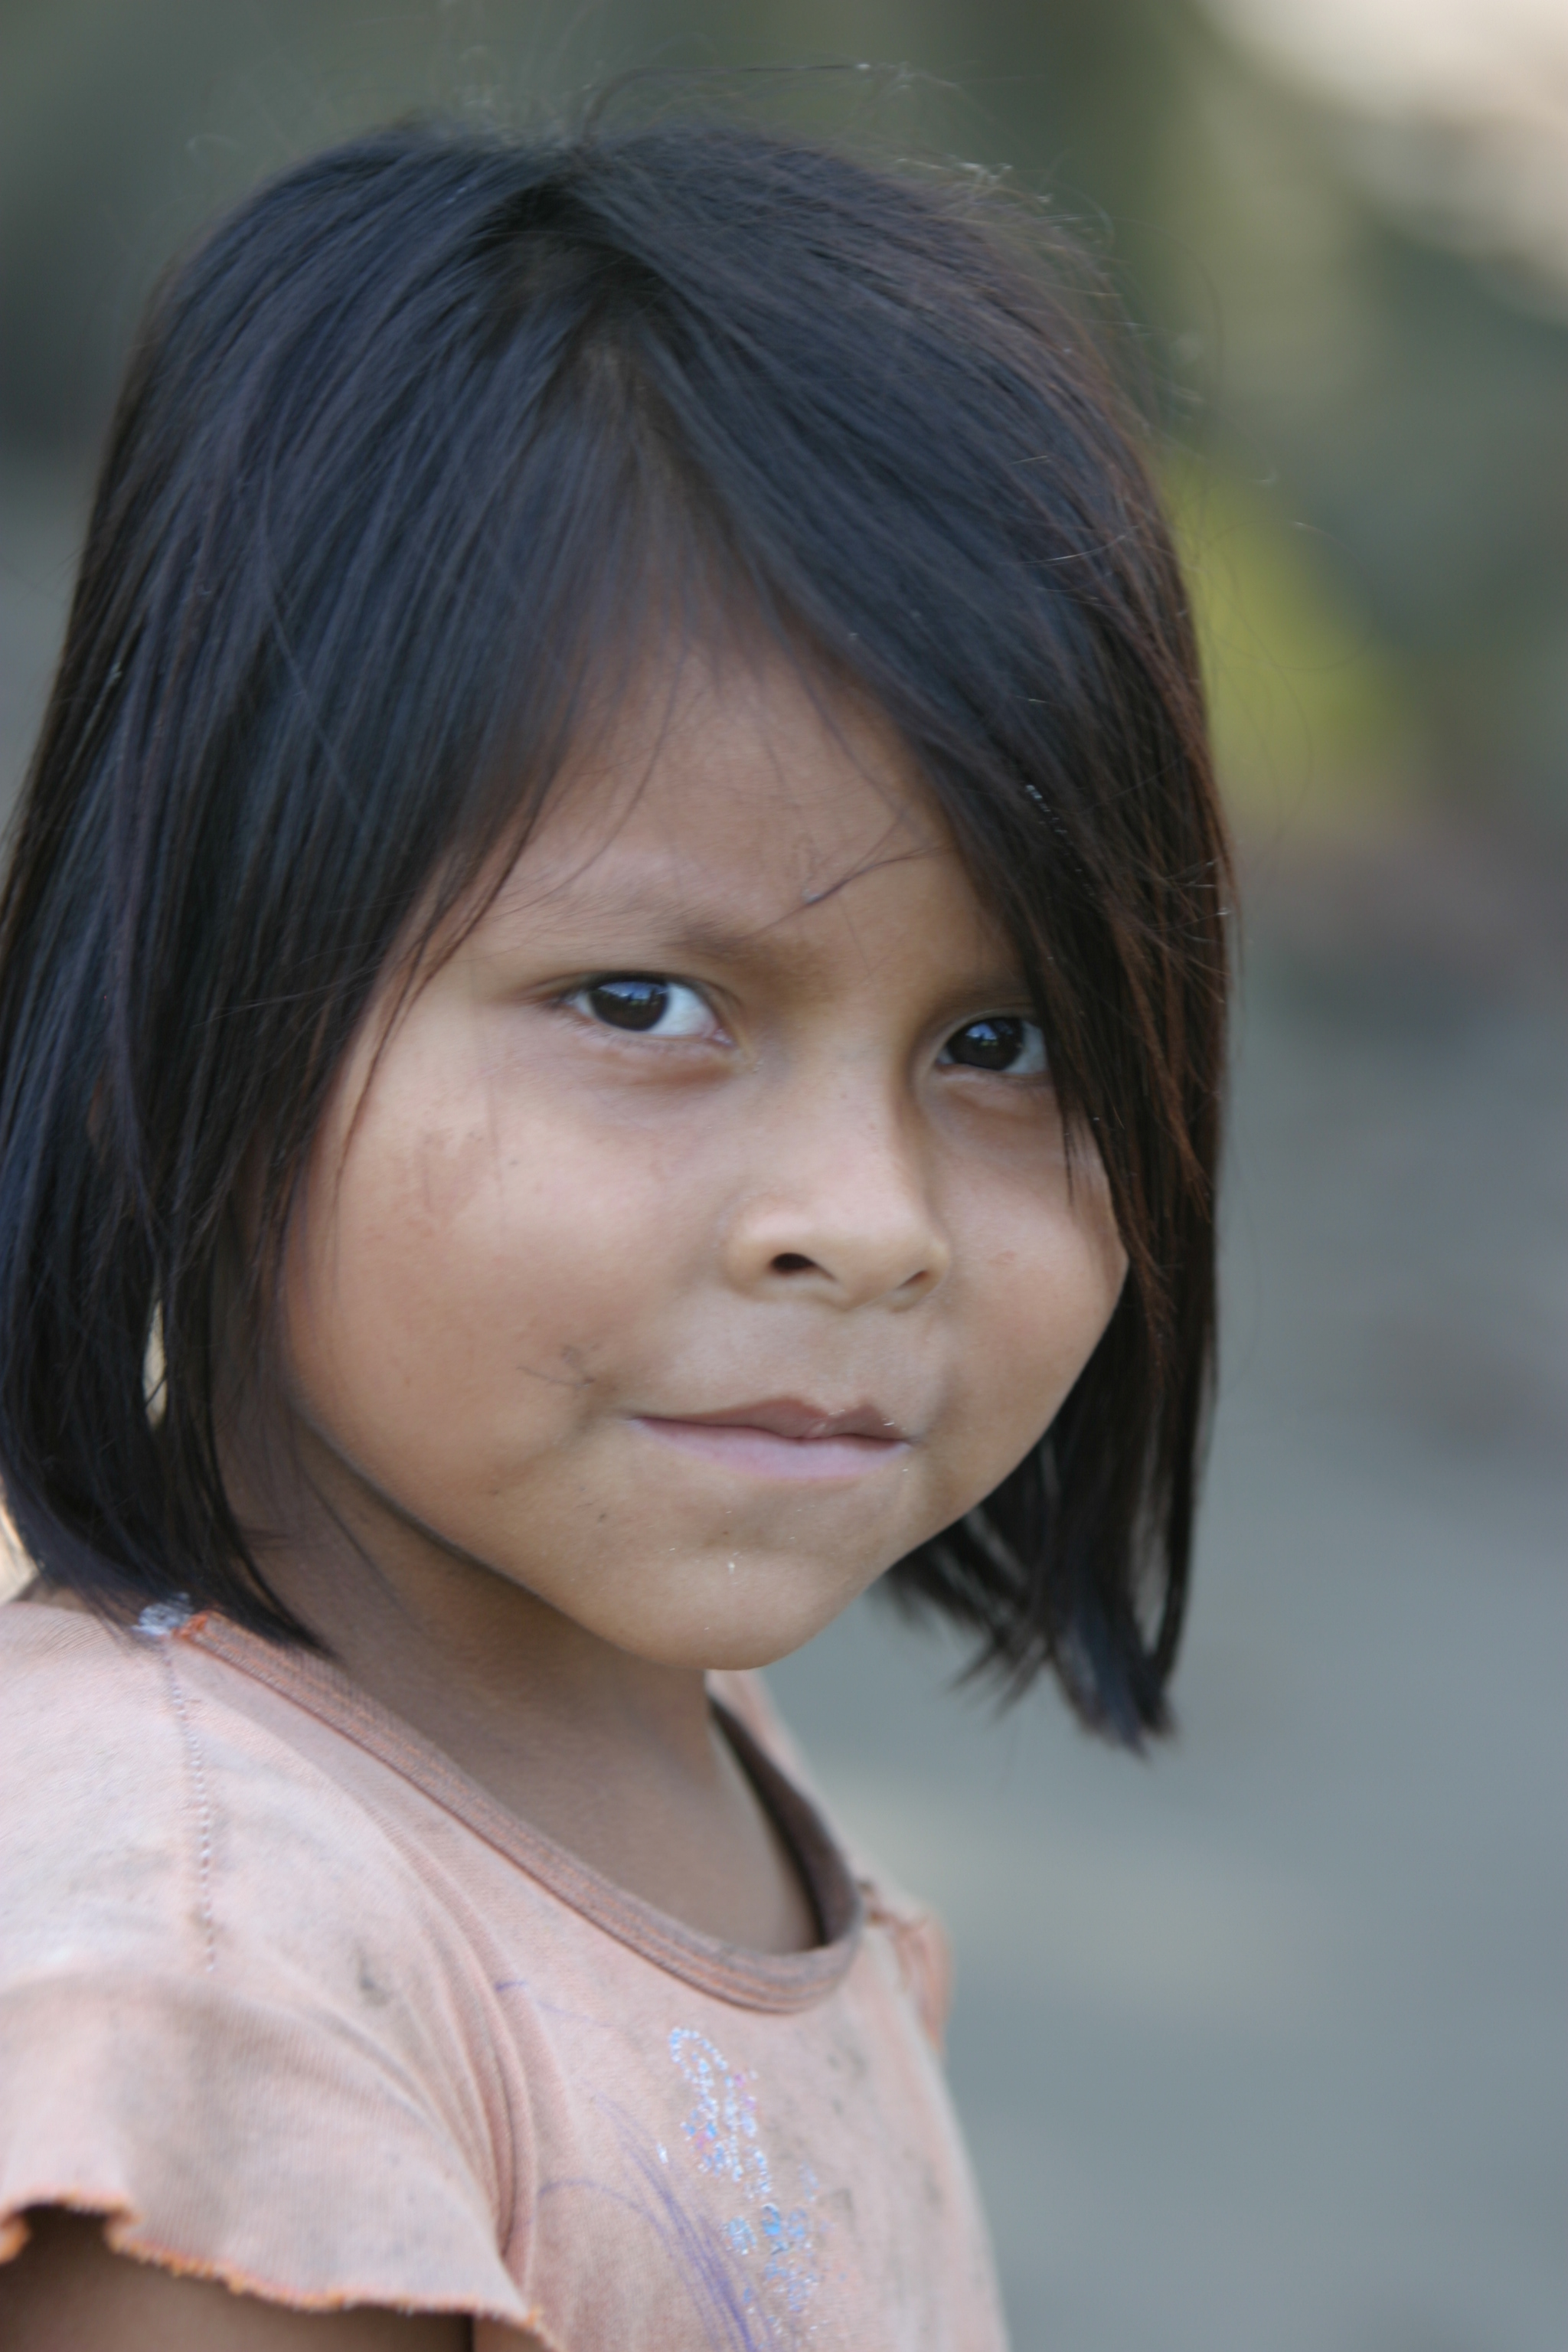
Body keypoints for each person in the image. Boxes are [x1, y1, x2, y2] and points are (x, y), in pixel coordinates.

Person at [0, 106, 1229, 2350]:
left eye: (1006, 1044)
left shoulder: (668, 1723)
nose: (865, 1227)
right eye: (644, 1005)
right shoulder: (214, 1978)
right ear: (195, 1000)